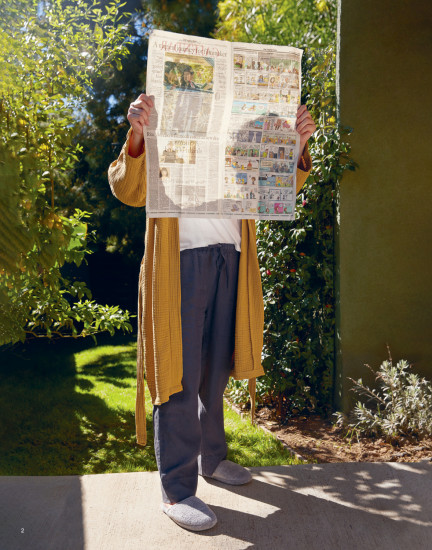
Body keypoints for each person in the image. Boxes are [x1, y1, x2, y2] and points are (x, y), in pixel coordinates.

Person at [108, 94, 315, 532]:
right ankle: (177, 488)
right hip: (180, 260)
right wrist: (141, 135)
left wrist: (295, 146)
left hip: (231, 259)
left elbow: (277, 191)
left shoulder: (239, 132)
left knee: (216, 371)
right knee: (179, 376)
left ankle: (212, 457)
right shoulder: (160, 125)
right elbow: (128, 190)